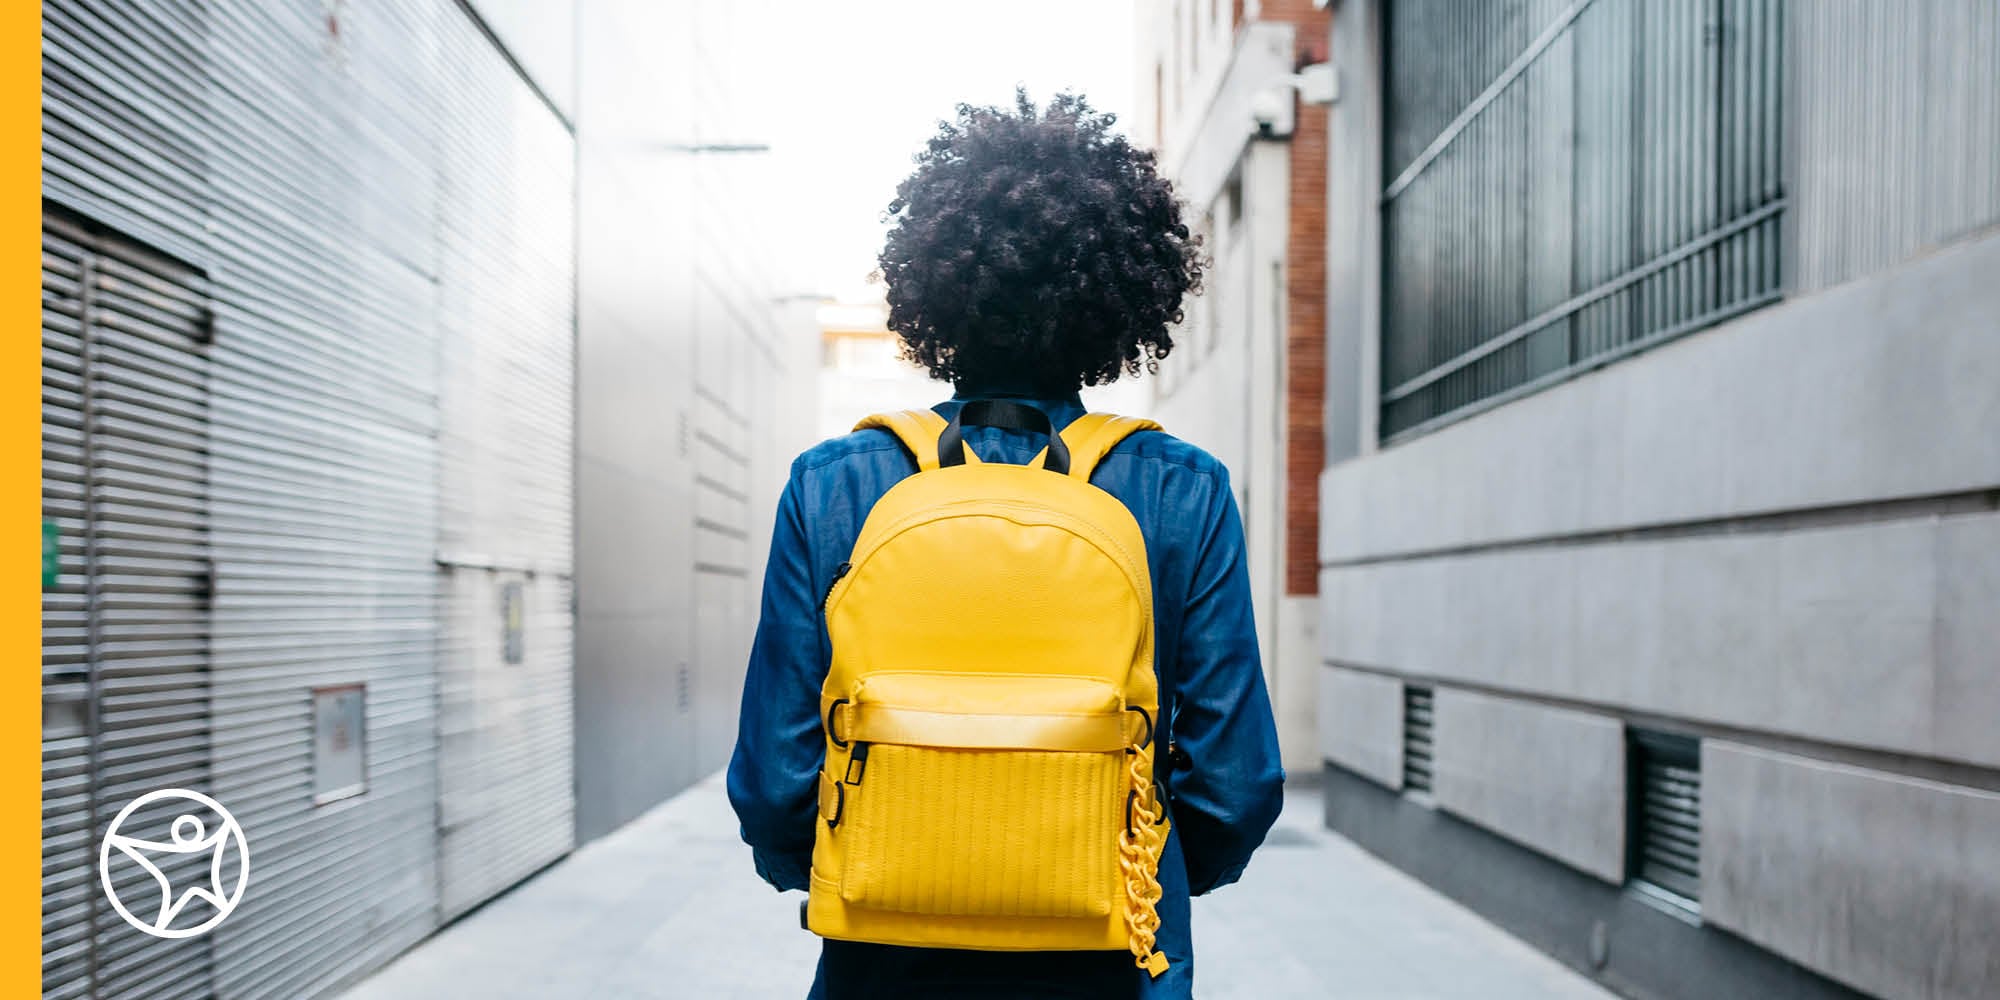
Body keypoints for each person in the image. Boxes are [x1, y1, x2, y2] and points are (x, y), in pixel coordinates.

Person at [727, 91, 1284, 1000]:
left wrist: (863, 868)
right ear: (1124, 294)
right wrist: (1144, 876)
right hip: (1116, 964)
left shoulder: (836, 484)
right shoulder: (1183, 490)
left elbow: (774, 780)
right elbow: (1234, 785)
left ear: (933, 283)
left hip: (882, 963)